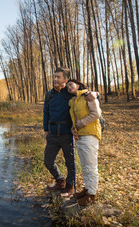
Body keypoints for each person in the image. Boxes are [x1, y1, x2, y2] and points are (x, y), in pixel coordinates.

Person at [43, 67, 96, 197]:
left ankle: (69, 185)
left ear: (65, 80)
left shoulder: (69, 93)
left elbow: (85, 92)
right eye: (54, 76)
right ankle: (60, 180)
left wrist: (96, 94)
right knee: (48, 161)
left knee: (70, 162)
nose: (55, 79)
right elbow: (45, 113)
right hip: (53, 133)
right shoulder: (49, 95)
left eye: (58, 77)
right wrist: (46, 130)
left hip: (67, 133)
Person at [66, 79, 101, 206]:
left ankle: (92, 194)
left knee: (91, 166)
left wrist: (81, 123)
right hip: (80, 136)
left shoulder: (88, 95)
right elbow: (75, 119)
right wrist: (73, 128)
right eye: (67, 86)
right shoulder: (73, 101)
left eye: (71, 84)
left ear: (78, 85)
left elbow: (96, 114)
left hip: (90, 134)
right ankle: (87, 190)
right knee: (85, 165)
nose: (69, 87)